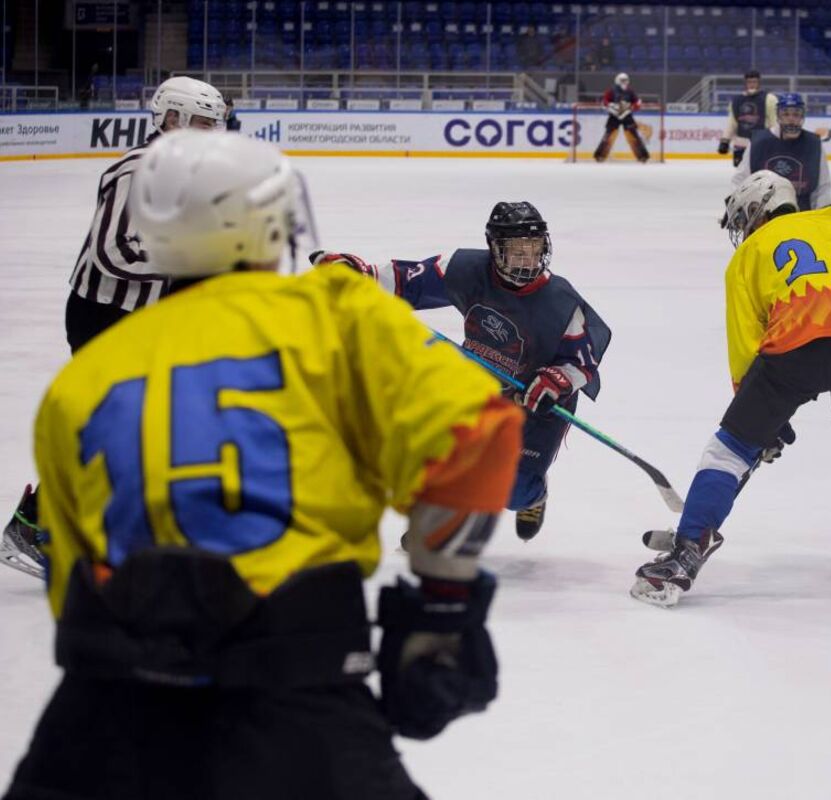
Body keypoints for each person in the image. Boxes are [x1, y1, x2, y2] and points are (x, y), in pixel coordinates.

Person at [2, 131, 524, 800]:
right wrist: (443, 609)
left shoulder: (83, 381)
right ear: (273, 219)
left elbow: (68, 567)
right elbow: (476, 435)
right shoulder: (332, 312)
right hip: (295, 694)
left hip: (101, 716)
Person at [631, 171, 831, 608]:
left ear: (759, 209)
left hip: (796, 345)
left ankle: (685, 554)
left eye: (743, 218)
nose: (742, 229)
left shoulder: (748, 255)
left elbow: (744, 346)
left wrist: (758, 421)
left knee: (728, 451)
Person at [1, 75, 226, 581]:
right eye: (204, 125)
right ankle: (37, 527)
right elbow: (113, 252)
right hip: (103, 315)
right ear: (172, 119)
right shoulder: (136, 171)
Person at [312, 201, 610, 542]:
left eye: (535, 250)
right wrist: (359, 275)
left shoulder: (561, 301)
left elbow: (582, 361)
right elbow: (406, 280)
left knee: (514, 492)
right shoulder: (467, 268)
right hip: (479, 380)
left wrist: (557, 380)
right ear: (495, 250)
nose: (528, 261)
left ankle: (534, 497)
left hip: (537, 401)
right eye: (517, 252)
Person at [729, 93, 831, 211]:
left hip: (802, 218)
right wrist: (736, 206)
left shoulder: (814, 144)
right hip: (764, 218)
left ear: (802, 117)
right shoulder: (758, 143)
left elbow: (822, 187)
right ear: (778, 116)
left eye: (796, 114)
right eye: (786, 114)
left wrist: (824, 212)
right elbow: (741, 179)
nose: (791, 119)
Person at [717, 70, 778, 167]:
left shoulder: (769, 99)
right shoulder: (736, 101)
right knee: (741, 174)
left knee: (761, 172)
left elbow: (774, 122)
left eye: (754, 82)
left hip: (761, 143)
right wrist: (725, 140)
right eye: (749, 82)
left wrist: (776, 140)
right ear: (745, 83)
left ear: (759, 82)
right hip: (741, 142)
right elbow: (732, 122)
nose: (752, 85)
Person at [593, 72, 651, 163]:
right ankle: (600, 156)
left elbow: (637, 102)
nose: (624, 82)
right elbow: (604, 100)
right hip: (614, 116)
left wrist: (634, 106)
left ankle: (642, 156)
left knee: (634, 136)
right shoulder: (611, 91)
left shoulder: (630, 91)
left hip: (627, 115)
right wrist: (610, 105)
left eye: (625, 80)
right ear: (617, 80)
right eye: (622, 80)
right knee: (608, 136)